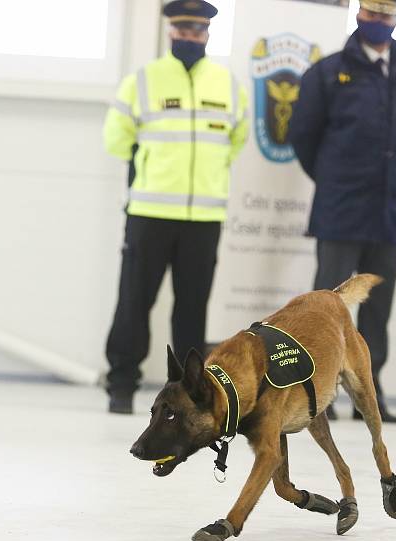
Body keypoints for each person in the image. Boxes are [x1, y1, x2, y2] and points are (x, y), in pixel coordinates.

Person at [103, 0, 249, 414]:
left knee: (192, 306)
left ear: (207, 34)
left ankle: (190, 393)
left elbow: (236, 141)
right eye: (183, 30)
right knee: (135, 300)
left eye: (198, 31)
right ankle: (121, 384)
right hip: (150, 213)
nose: (190, 37)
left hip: (203, 218)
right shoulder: (143, 81)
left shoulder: (227, 84)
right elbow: (116, 139)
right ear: (172, 32)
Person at [289, 0, 396, 424]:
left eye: (386, 15)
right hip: (341, 207)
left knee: (378, 306)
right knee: (326, 307)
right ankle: (312, 388)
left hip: (388, 208)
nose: (378, 21)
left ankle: (369, 390)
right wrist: (335, 179)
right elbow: (303, 137)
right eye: (371, 12)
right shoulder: (327, 72)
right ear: (359, 13)